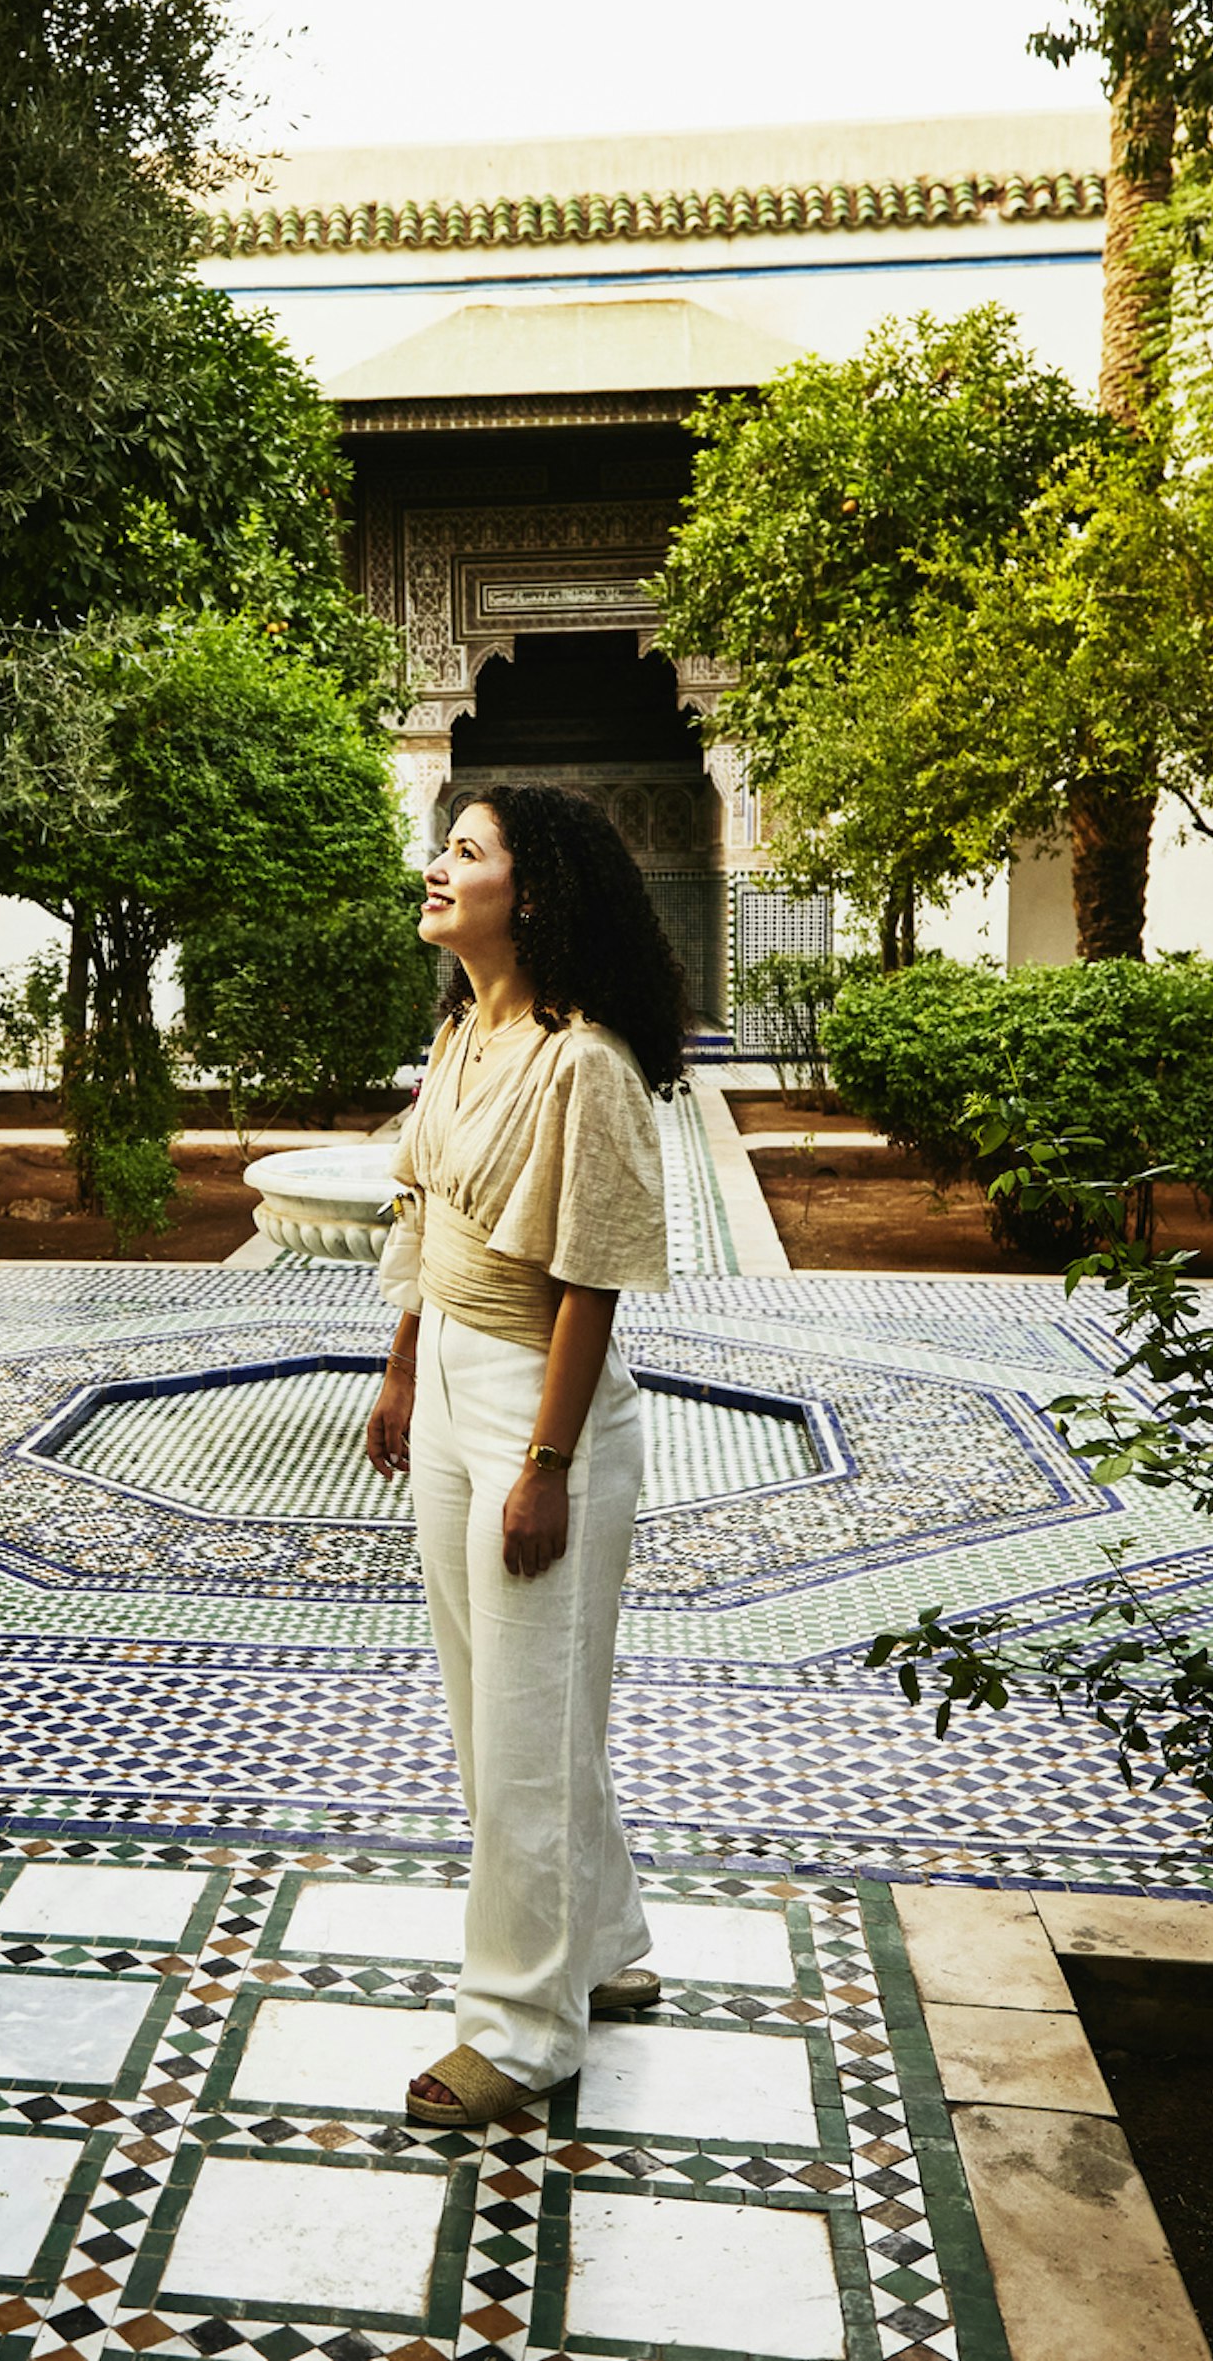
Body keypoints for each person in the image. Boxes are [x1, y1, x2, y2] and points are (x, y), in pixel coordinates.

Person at [360, 782, 688, 2126]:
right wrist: (397, 1369)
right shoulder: (463, 1030)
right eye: (446, 847)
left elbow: (593, 1282)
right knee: (502, 1709)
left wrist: (545, 1459)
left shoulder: (584, 1063)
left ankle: (519, 2026)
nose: (437, 868)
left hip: (541, 1404)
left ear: (530, 892)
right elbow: (424, 1211)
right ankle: (602, 1942)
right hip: (449, 1386)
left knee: (529, 1725)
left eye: (467, 852)